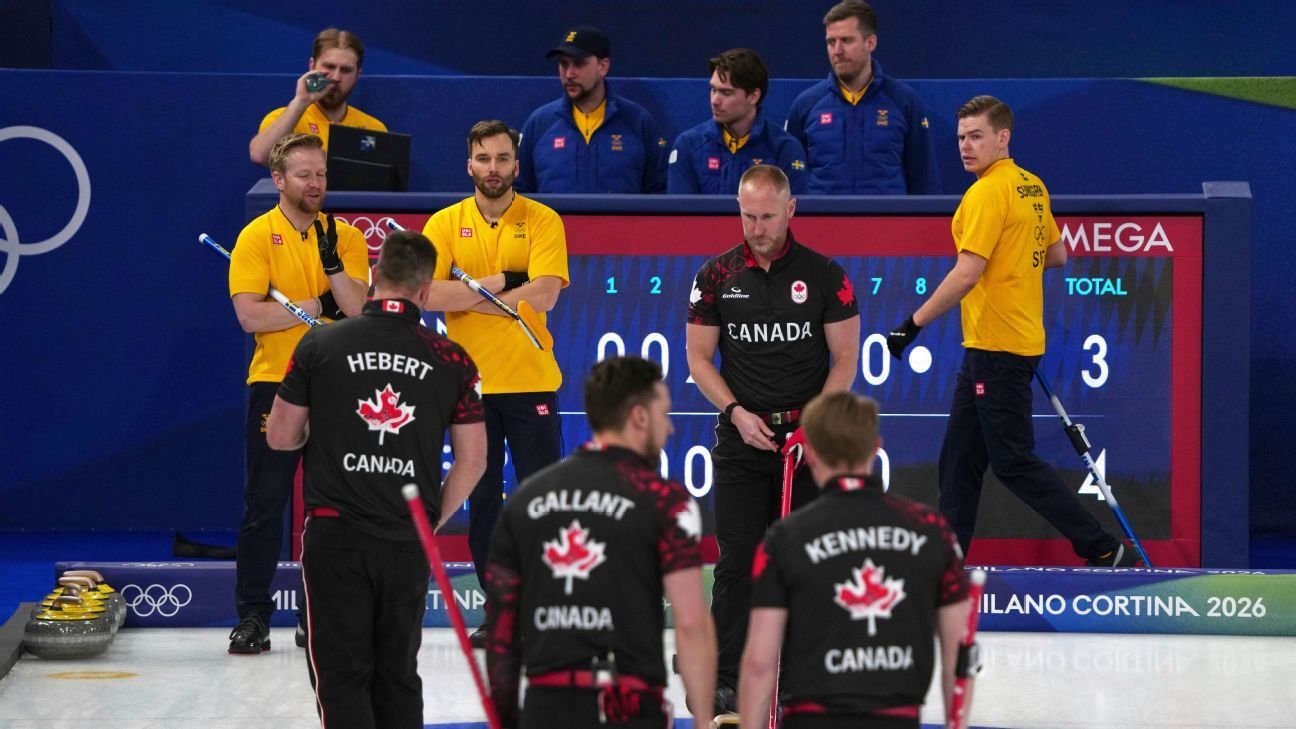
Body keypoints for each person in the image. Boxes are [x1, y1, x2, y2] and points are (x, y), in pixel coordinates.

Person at [886, 95, 1141, 567]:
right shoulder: (1032, 186)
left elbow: (967, 272)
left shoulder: (985, 193)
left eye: (976, 136)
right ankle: (949, 560)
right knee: (959, 460)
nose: (965, 146)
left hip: (997, 347)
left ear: (1003, 137)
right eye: (961, 137)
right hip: (1004, 344)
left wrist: (911, 325)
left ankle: (1101, 546)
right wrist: (1017, 267)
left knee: (1013, 462)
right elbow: (1058, 255)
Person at [265, 229, 488, 728]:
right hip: (408, 538)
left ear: (372, 278)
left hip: (335, 536)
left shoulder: (320, 341)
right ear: (426, 291)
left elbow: (279, 437)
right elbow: (473, 461)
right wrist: (431, 519)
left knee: (342, 677)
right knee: (397, 673)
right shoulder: (453, 358)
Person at [685, 164, 860, 712]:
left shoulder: (827, 275)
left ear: (790, 210)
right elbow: (697, 357)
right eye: (746, 215)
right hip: (742, 440)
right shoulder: (715, 275)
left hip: (805, 445)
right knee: (737, 561)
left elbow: (846, 357)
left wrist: (815, 423)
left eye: (766, 215)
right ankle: (725, 678)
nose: (756, 227)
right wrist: (735, 412)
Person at [483, 356, 716, 728]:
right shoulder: (666, 501)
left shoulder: (525, 501)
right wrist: (704, 721)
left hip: (547, 706)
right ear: (639, 416)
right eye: (664, 414)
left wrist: (508, 718)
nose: (670, 428)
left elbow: (502, 632)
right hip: (630, 704)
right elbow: (690, 623)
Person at [738, 391, 975, 729]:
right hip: (896, 719)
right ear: (875, 445)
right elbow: (959, 654)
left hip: (811, 718)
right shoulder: (932, 531)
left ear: (813, 452)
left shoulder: (784, 538)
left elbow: (760, 663)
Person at [420, 119, 570, 646]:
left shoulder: (544, 220)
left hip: (530, 380)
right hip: (469, 385)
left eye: (502, 159)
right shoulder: (443, 224)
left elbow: (547, 294)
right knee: (483, 503)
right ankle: (499, 611)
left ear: (516, 164)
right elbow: (428, 296)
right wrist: (504, 284)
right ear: (469, 164)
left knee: (540, 501)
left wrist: (471, 293)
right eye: (483, 159)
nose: (493, 169)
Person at [226, 132, 370, 654]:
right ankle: (253, 617)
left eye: (322, 174)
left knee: (331, 508)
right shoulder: (256, 237)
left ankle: (320, 617)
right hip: (276, 383)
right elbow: (250, 315)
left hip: (337, 383)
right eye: (305, 175)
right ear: (280, 180)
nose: (316, 184)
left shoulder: (347, 237)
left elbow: (357, 311)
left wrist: (334, 271)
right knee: (264, 502)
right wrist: (315, 301)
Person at [785, 1, 940, 195]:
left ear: (871, 42)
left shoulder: (904, 101)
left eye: (846, 40)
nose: (837, 51)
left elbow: (924, 179)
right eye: (831, 42)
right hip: (823, 222)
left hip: (887, 221)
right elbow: (790, 182)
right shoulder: (805, 105)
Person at [516, 26, 669, 194]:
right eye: (563, 64)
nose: (569, 74)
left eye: (578, 63)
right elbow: (519, 192)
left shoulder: (638, 122)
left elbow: (659, 193)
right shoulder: (539, 124)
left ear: (603, 67)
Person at [668, 48, 807, 195]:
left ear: (754, 96)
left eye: (726, 93)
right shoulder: (688, 146)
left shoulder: (784, 149)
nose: (714, 101)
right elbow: (680, 214)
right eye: (713, 90)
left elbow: (794, 213)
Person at [249, 28, 386, 167]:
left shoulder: (374, 128)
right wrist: (301, 102)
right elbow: (260, 156)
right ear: (312, 66)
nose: (336, 77)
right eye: (329, 67)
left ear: (357, 75)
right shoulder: (285, 120)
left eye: (346, 70)